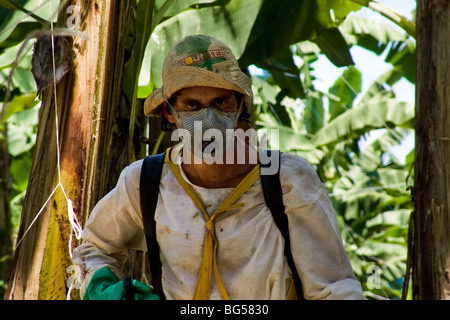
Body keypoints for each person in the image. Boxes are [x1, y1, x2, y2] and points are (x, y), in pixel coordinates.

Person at [72, 34, 365, 300]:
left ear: (240, 106)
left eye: (220, 102)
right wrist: (105, 291)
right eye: (192, 105)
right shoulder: (144, 181)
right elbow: (95, 249)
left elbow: (333, 288)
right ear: (169, 112)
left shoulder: (285, 179)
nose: (208, 117)